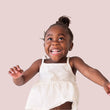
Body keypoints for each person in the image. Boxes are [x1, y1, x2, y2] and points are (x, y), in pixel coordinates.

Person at [8, 16, 110, 110]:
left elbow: (89, 71)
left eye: (61, 38)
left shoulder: (72, 61)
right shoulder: (39, 63)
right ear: (44, 45)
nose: (55, 42)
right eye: (50, 39)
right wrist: (17, 77)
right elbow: (22, 81)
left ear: (71, 45)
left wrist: (104, 82)